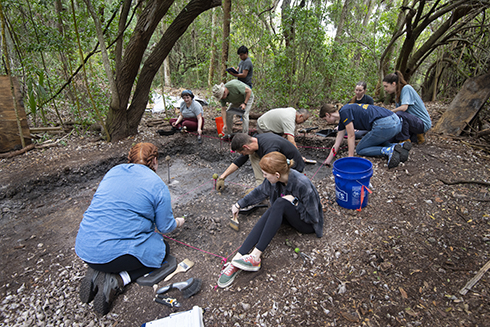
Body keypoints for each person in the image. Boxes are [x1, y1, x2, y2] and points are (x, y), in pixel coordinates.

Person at [75, 143, 184, 315]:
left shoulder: (113, 172)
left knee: (111, 244)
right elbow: (164, 227)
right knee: (163, 249)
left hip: (85, 248)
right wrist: (178, 221)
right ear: (155, 161)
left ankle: (97, 270)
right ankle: (118, 279)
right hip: (113, 256)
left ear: (129, 159)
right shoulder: (158, 185)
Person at [217, 152, 324, 288]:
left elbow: (313, 218)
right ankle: (237, 259)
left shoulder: (303, 185)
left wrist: (295, 202)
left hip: (307, 224)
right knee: (275, 207)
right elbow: (259, 192)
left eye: (265, 174)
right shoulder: (274, 179)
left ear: (277, 175)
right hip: (286, 214)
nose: (264, 177)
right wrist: (239, 204)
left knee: (279, 203)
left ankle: (255, 257)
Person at [321, 103, 412, 169]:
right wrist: (328, 161)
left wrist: (350, 157)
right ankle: (398, 146)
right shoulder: (344, 116)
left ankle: (387, 150)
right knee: (374, 140)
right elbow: (337, 143)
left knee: (360, 149)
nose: (326, 122)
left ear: (327, 115)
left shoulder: (344, 111)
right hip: (396, 121)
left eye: (325, 120)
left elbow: (351, 135)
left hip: (385, 124)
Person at [216, 133, 305, 191]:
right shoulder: (255, 140)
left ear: (245, 147)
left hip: (294, 169)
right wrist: (222, 177)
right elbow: (239, 161)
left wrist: (257, 192)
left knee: (263, 162)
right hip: (279, 163)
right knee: (252, 155)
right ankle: (262, 186)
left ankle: (264, 188)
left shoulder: (270, 148)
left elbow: (274, 169)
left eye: (242, 152)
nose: (243, 155)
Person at [382, 71, 432, 144]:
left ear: (393, 84)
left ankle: (405, 140)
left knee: (399, 114)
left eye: (386, 86)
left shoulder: (406, 88)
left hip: (422, 123)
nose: (385, 89)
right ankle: (415, 137)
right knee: (388, 139)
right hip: (411, 123)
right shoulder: (397, 94)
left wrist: (389, 112)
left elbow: (403, 108)